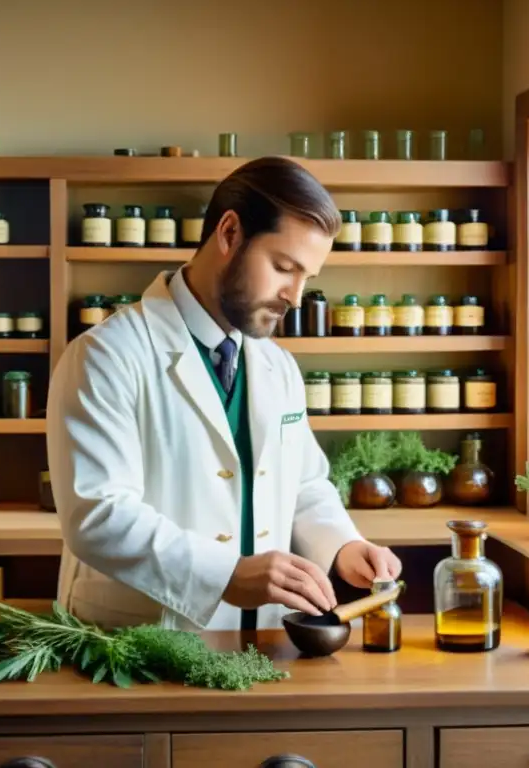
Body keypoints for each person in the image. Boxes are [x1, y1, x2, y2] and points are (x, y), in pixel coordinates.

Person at [46, 156, 402, 632]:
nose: (295, 297)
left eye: (307, 278)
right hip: (139, 641)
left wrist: (342, 545)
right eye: (283, 267)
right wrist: (224, 574)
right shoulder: (106, 355)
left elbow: (304, 483)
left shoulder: (277, 365)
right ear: (229, 233)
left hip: (262, 640)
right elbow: (99, 514)